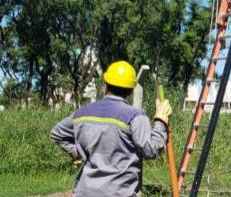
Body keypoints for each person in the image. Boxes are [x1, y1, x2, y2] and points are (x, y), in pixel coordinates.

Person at [50, 60, 173, 197]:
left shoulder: (82, 113)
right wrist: (161, 120)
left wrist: (77, 154)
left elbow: (57, 133)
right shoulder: (135, 116)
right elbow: (150, 150)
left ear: (106, 85)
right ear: (131, 90)